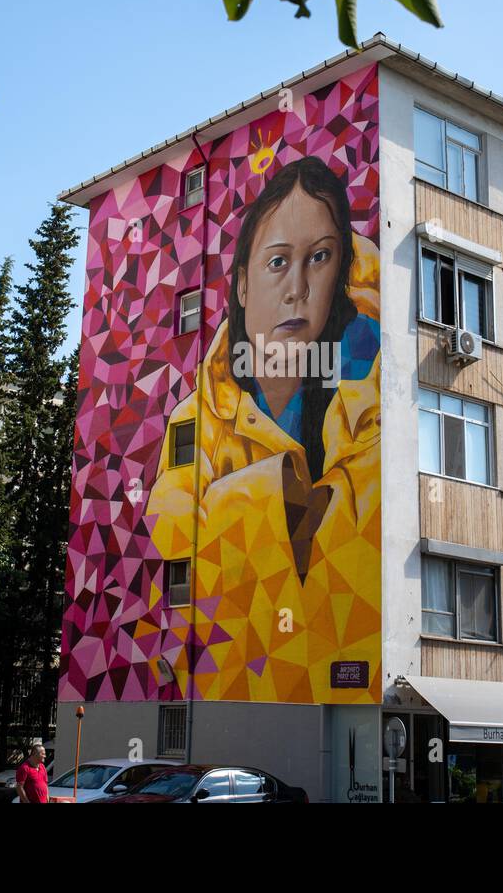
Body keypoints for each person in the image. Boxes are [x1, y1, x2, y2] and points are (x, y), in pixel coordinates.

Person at [147, 155, 381, 704]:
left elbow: (354, 542)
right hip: (233, 683)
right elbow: (171, 536)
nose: (298, 288)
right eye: (278, 262)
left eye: (319, 258)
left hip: (335, 679)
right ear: (244, 284)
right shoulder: (198, 416)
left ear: (341, 273)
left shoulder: (371, 388)